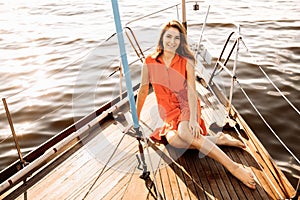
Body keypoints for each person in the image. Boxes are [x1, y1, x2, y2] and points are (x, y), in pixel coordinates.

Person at [136, 20, 256, 189]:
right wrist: (136, 120)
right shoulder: (149, 61)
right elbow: (142, 91)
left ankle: (233, 166)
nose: (172, 41)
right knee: (174, 141)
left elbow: (192, 92)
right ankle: (218, 139)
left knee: (185, 132)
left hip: (187, 104)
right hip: (169, 112)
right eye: (168, 36)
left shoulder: (186, 60)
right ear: (162, 38)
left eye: (176, 38)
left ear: (181, 41)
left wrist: (193, 119)